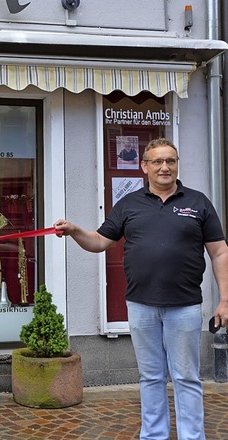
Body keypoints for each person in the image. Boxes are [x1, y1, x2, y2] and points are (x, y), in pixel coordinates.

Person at [54, 138, 228, 440]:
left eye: (170, 161)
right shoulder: (129, 204)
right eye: (158, 162)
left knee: (186, 377)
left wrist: (225, 299)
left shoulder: (198, 202)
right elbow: (99, 241)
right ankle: (154, 435)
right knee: (150, 377)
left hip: (185, 306)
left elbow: (219, 252)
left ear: (176, 165)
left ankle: (192, 436)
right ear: (144, 166)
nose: (165, 167)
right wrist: (74, 231)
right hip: (141, 306)